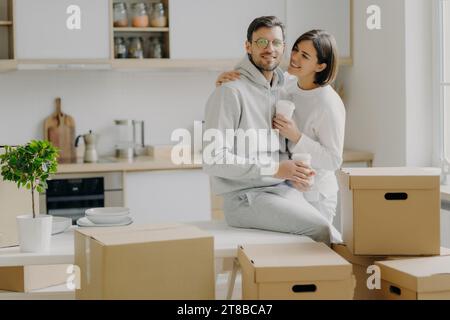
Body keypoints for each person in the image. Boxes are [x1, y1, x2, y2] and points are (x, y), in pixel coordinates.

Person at [203, 16, 332, 245]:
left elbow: (281, 153)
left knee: (338, 238)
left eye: (276, 43)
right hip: (246, 199)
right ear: (248, 46)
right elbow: (213, 159)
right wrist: (276, 169)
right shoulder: (230, 92)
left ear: (283, 47)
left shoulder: (282, 91)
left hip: (282, 190)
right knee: (321, 231)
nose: (269, 49)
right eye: (261, 42)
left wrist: (295, 176)